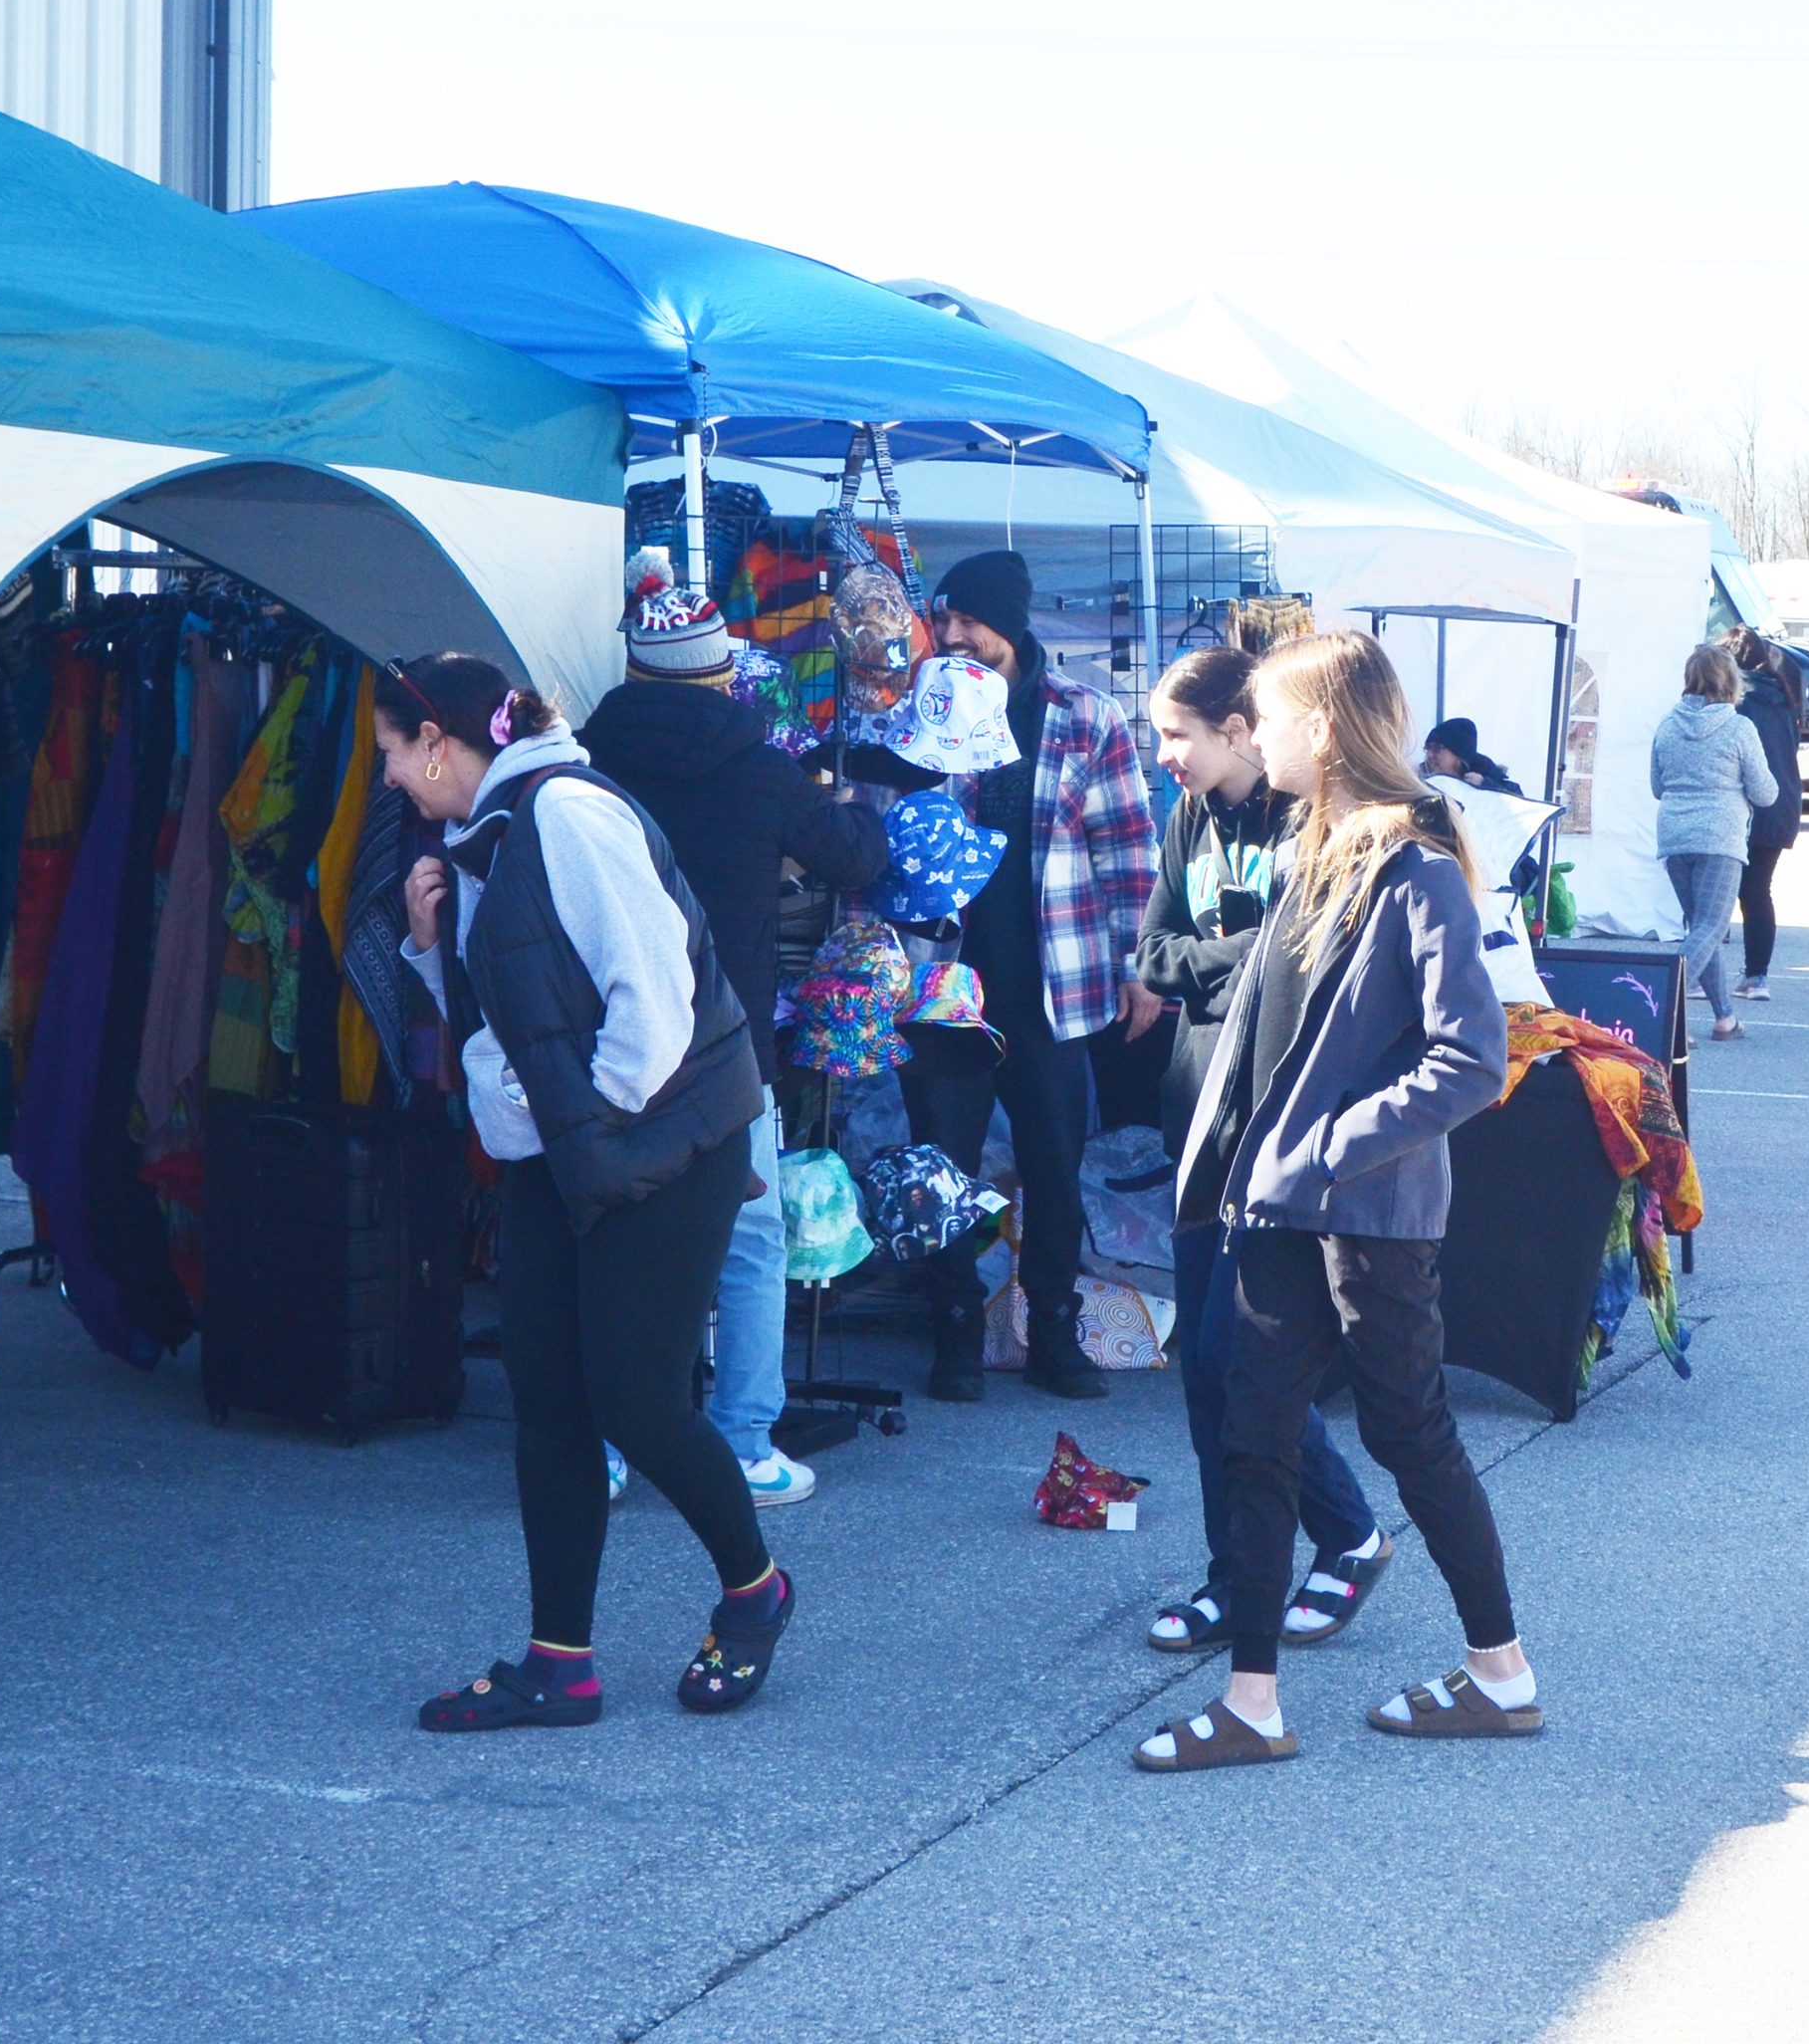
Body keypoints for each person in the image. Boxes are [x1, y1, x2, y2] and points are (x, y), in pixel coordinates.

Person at [1135, 630, 1533, 1774]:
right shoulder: (1312, 853)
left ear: (1319, 726)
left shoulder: (1413, 868)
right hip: (1275, 1208)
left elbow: (1472, 1058)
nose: (1251, 734)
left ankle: (1501, 1673)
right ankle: (1251, 1703)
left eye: (1266, 715)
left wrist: (1321, 1150)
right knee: (1255, 1433)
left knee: (1410, 1433)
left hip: (1363, 1217)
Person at [378, 654, 796, 1729]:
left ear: (437, 743)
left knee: (637, 1401)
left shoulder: (566, 813)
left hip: (661, 1142)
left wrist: (594, 1119)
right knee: (551, 1402)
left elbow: (652, 1001)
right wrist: (428, 952)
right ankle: (558, 1662)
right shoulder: (491, 832)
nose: (388, 779)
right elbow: (509, 1027)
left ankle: (755, 1592)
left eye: (391, 753)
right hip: (566, 1153)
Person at [583, 556, 890, 1508]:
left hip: (610, 1041)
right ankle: (744, 1444)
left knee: (610, 1241)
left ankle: (603, 1444)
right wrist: (858, 808)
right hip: (727, 1045)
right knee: (749, 1243)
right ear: (724, 672)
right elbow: (853, 858)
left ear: (635, 671)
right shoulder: (762, 772)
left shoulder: (585, 764)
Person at [1134, 646, 1390, 1661]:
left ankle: (1338, 1535)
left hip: (1275, 1130)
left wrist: (1213, 965)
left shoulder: (1307, 820)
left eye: (1177, 734)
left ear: (1238, 730)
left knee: (1238, 1361)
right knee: (1205, 1374)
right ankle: (1245, 1571)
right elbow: (1152, 953)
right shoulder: (1188, 817)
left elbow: (1301, 957)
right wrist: (1228, 962)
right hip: (1197, 1118)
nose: (1164, 755)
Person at [915, 550, 1160, 1405]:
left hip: (1055, 985)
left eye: (969, 622)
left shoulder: (1085, 715)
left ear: (1011, 625)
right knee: (941, 1170)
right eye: (945, 620)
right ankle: (952, 1334)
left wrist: (1139, 966)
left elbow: (1128, 850)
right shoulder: (927, 708)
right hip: (944, 986)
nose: (953, 636)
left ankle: (1055, 1333)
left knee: (1054, 1166)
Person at [1650, 643, 1778, 1041]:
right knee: (1711, 926)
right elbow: (1765, 793)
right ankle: (1663, 1007)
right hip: (1720, 835)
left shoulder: (1667, 725)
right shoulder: (1739, 728)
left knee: (1700, 929)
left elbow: (1657, 786)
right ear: (1730, 681)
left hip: (1674, 834)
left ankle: (1725, 1017)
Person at [1723, 625, 1803, 1000]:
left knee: (1715, 892)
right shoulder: (1784, 698)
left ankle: (1700, 975)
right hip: (1783, 803)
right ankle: (1756, 977)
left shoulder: (1737, 702)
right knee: (1757, 892)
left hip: (1745, 805)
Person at [1422, 716, 1521, 795]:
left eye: (1437, 748)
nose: (1429, 755)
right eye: (1427, 749)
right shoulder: (1420, 782)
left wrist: (1486, 786)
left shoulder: (1499, 784)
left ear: (1458, 754)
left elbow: (1516, 807)